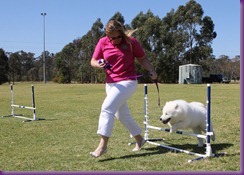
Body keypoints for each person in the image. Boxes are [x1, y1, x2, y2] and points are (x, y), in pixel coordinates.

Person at [90, 19, 157, 158]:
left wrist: (152, 70)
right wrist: (99, 65)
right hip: (111, 83)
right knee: (121, 114)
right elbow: (93, 61)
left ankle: (103, 146)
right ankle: (139, 139)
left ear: (122, 33)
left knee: (107, 108)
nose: (115, 40)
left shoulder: (131, 42)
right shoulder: (103, 42)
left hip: (128, 82)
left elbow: (143, 58)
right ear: (107, 35)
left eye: (118, 37)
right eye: (112, 38)